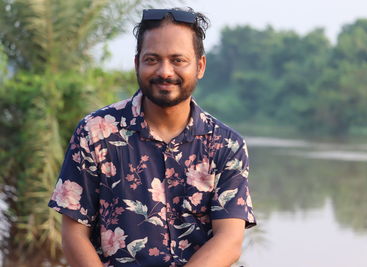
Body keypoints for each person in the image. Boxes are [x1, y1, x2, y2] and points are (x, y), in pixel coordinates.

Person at [48, 7, 256, 267]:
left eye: (178, 60)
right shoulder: (96, 133)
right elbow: (73, 234)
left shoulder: (226, 145)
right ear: (137, 64)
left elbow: (229, 240)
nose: (165, 71)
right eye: (152, 59)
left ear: (200, 66)